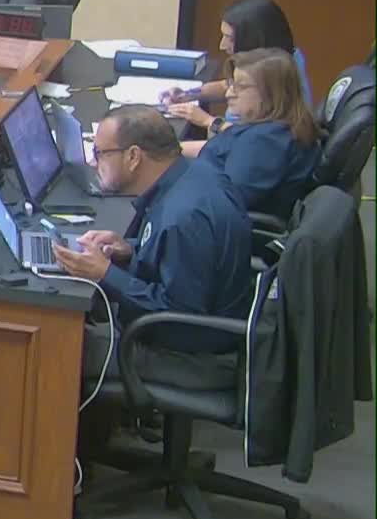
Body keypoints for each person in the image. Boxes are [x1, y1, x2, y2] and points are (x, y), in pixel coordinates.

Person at [52, 105, 254, 393]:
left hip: (195, 356)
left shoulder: (182, 218)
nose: (94, 164)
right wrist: (131, 250)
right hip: (211, 328)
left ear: (133, 156)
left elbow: (178, 315)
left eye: (100, 153)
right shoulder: (194, 174)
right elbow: (186, 264)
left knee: (59, 346)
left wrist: (105, 273)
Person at [180, 48, 320, 219]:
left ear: (271, 93)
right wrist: (170, 148)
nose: (229, 93)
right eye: (231, 84)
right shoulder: (269, 126)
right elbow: (222, 148)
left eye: (241, 87)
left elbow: (224, 204)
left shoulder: (265, 142)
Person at [164, 0, 311, 113]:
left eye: (230, 38)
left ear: (252, 40)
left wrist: (206, 121)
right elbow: (230, 85)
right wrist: (187, 94)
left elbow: (247, 137)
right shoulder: (281, 59)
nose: (222, 46)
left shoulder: (275, 81)